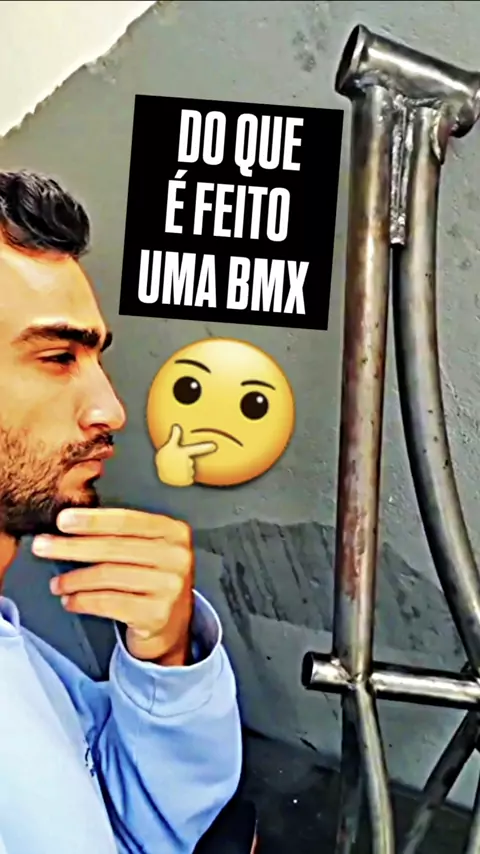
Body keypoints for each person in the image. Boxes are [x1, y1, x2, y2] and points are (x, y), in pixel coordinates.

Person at [0, 169, 245, 854]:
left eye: (94, 359)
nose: (110, 410)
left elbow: (134, 828)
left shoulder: (19, 656)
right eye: (59, 356)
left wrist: (165, 655)